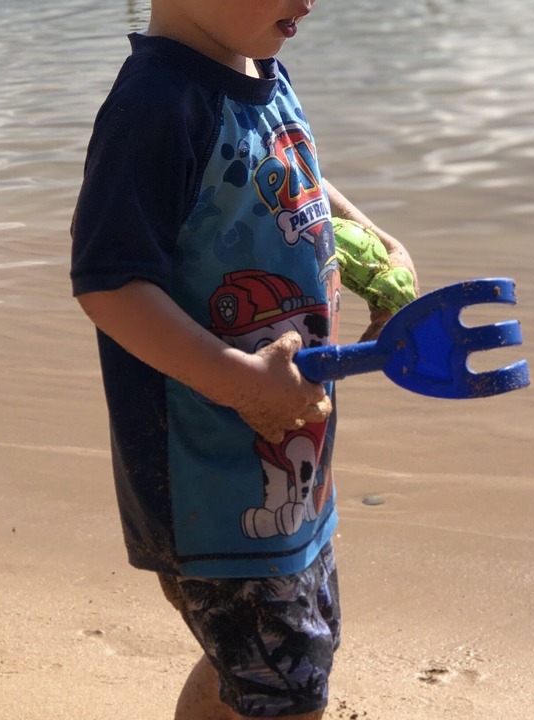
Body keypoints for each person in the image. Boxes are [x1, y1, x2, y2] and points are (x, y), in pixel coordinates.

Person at [69, 1, 417, 718]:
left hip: (284, 467)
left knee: (275, 665)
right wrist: (239, 386)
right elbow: (110, 285)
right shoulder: (154, 105)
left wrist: (371, 240)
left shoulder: (256, 68)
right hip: (207, 485)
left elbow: (292, 173)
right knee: (285, 686)